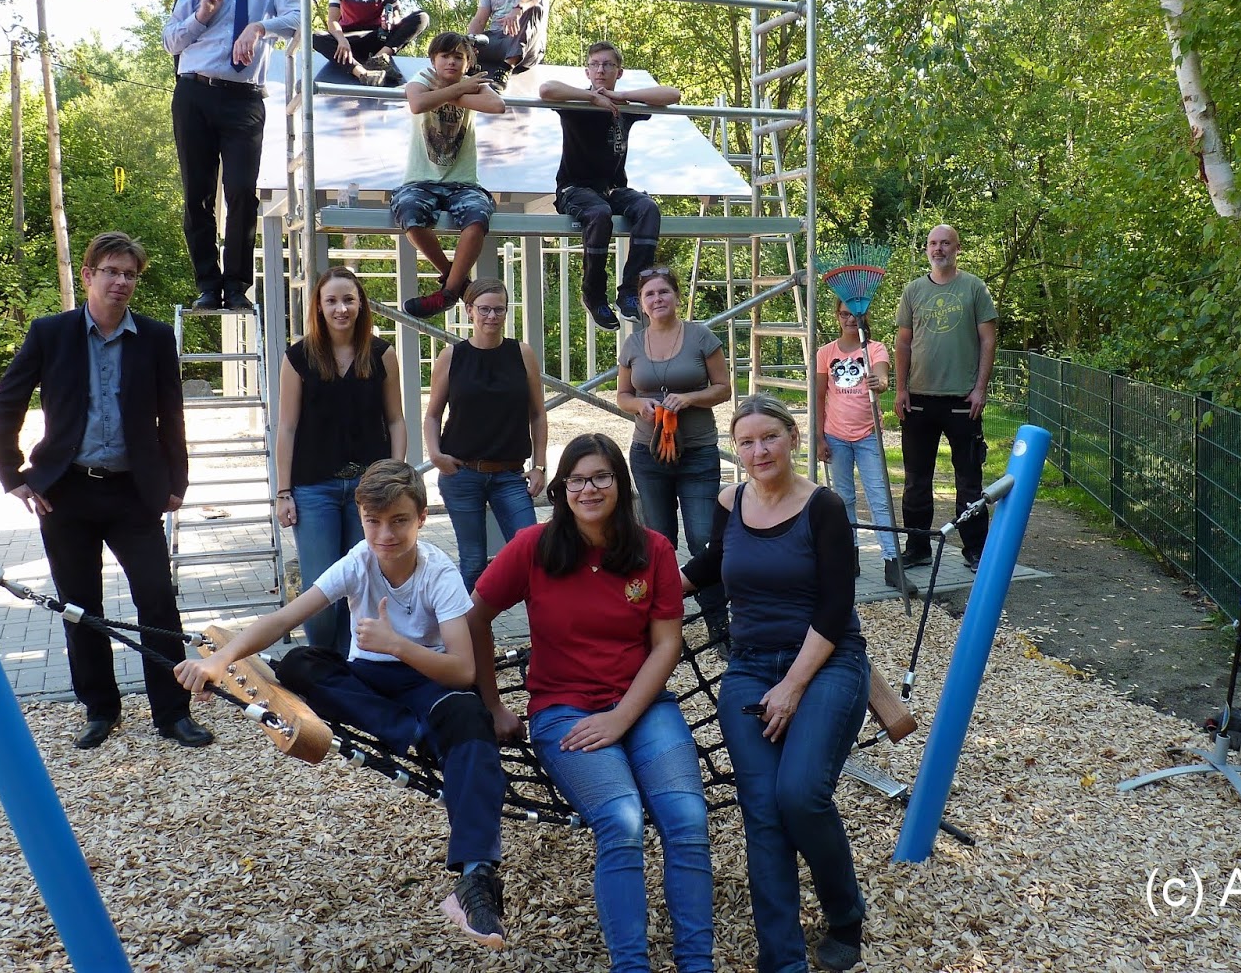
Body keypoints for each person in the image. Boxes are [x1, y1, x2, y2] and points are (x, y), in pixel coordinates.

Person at [173, 460, 512, 948]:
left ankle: (476, 880)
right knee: (299, 663)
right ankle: (415, 736)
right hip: (367, 686)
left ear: (420, 518)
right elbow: (286, 616)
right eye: (373, 521)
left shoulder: (439, 571)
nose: (385, 533)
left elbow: (462, 670)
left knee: (471, 721)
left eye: (398, 520)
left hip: (428, 680)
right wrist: (221, 659)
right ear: (361, 518)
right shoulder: (359, 560)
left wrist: (397, 644)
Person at [468, 433, 714, 973]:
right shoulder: (533, 546)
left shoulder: (654, 549)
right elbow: (473, 617)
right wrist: (492, 704)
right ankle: (631, 966)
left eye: (601, 476)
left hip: (642, 705)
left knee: (688, 819)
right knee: (622, 822)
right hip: (563, 709)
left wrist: (622, 716)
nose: (588, 488)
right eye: (576, 479)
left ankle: (698, 963)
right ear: (561, 489)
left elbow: (667, 643)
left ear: (621, 485)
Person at [0, 231, 214, 750]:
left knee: (157, 601)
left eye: (130, 274)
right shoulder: (50, 333)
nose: (121, 282)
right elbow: (7, 404)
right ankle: (100, 708)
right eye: (111, 271)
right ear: (88, 275)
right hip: (65, 493)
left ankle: (172, 713)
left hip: (133, 494)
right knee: (78, 605)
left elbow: (171, 415)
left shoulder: (155, 338)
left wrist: (176, 482)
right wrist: (13, 476)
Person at [682, 395, 869, 973]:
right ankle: (781, 959)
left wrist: (791, 685)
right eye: (746, 441)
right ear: (734, 450)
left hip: (826, 662)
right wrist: (629, 593)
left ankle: (845, 913)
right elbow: (707, 569)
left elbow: (837, 608)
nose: (758, 450)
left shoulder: (824, 507)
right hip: (749, 666)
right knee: (762, 807)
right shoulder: (730, 502)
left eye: (770, 437)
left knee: (800, 793)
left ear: (792, 437)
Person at [163, 0, 301, 312]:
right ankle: (208, 285)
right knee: (197, 194)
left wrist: (260, 27)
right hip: (195, 94)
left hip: (244, 98)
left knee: (241, 191)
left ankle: (237, 286)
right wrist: (202, 14)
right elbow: (171, 41)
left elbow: (297, 19)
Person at [275, 267, 407, 656]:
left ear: (361, 303)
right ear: (318, 305)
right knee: (320, 590)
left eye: (348, 299)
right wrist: (283, 491)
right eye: (331, 300)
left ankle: (356, 668)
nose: (341, 308)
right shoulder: (298, 357)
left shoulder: (382, 354)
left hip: (369, 491)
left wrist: (395, 476)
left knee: (363, 584)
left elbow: (396, 420)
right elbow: (286, 427)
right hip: (314, 487)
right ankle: (323, 665)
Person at [615, 266, 732, 644]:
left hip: (697, 452)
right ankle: (661, 626)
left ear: (677, 297)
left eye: (664, 292)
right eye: (650, 295)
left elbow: (724, 388)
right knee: (657, 540)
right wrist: (639, 406)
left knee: (703, 539)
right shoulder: (633, 344)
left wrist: (690, 398)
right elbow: (623, 395)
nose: (658, 299)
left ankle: (719, 625)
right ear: (641, 304)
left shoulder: (701, 337)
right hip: (648, 453)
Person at [541, 42, 681, 330]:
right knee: (599, 214)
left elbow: (673, 95)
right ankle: (593, 294)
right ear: (587, 70)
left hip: (612, 187)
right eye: (595, 64)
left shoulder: (625, 104)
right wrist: (592, 99)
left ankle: (631, 289)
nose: (601, 70)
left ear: (619, 71)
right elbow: (546, 90)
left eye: (608, 65)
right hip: (574, 187)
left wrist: (620, 96)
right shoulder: (575, 103)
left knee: (648, 209)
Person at [424, 279, 548, 589]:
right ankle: (469, 633)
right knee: (473, 561)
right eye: (484, 309)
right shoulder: (452, 356)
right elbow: (433, 414)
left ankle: (545, 632)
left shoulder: (522, 353)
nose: (491, 316)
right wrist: (436, 455)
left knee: (532, 553)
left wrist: (540, 466)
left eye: (498, 309)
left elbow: (537, 413)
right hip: (462, 474)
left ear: (507, 312)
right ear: (469, 311)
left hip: (510, 474)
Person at [893, 224, 998, 571]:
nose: (939, 249)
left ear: (957, 248)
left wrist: (980, 388)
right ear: (926, 249)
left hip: (962, 401)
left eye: (945, 243)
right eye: (933, 244)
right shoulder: (913, 291)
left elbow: (987, 340)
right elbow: (904, 343)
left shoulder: (974, 288)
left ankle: (974, 549)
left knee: (969, 480)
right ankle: (917, 545)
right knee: (916, 480)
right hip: (919, 399)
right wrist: (901, 388)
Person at [396, 31, 506, 319]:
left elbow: (497, 106)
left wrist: (455, 93)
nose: (452, 62)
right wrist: (460, 91)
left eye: (459, 56)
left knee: (478, 216)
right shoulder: (423, 78)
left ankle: (447, 294)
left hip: (464, 182)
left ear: (468, 62)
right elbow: (417, 103)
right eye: (445, 56)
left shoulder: (475, 84)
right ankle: (455, 279)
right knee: (409, 213)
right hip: (421, 180)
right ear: (433, 60)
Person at [814, 299, 909, 595]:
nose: (850, 320)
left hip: (869, 435)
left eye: (855, 314)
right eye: (844, 314)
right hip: (836, 436)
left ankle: (893, 563)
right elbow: (818, 397)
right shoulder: (825, 353)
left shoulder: (874, 348)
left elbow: (881, 376)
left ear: (863, 315)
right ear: (837, 317)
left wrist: (879, 383)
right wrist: (818, 437)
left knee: (880, 498)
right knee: (843, 500)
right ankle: (849, 557)